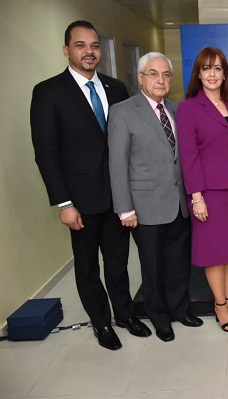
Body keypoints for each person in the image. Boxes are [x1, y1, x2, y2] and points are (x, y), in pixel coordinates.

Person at [30, 20, 150, 350]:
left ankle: (125, 314)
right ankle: (101, 323)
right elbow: (46, 153)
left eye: (95, 45)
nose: (89, 51)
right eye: (81, 45)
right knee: (86, 266)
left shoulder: (116, 88)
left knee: (118, 261)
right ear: (66, 50)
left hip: (118, 196)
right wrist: (63, 204)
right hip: (80, 201)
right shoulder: (48, 92)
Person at [108, 52, 203, 342]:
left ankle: (180, 309)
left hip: (179, 205)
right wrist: (124, 209)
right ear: (140, 78)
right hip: (145, 206)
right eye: (153, 73)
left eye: (165, 74)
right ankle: (160, 317)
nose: (160, 80)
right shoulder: (123, 111)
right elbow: (117, 162)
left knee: (177, 262)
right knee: (152, 266)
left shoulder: (178, 109)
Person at [177, 47, 228, 333]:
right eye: (206, 68)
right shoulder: (189, 108)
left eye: (217, 68)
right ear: (198, 73)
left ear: (225, 73)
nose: (212, 74)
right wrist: (197, 197)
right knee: (214, 252)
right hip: (208, 194)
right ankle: (219, 305)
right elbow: (188, 156)